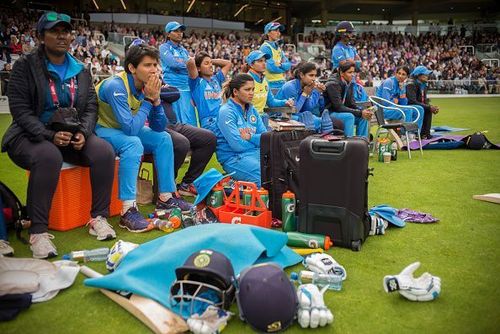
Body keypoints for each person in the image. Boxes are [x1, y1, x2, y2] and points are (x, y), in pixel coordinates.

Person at [1, 12, 117, 259]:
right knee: (49, 156)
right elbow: (20, 110)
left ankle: (98, 218)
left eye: (66, 31)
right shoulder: (25, 65)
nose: (62, 36)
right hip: (29, 136)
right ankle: (39, 232)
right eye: (55, 31)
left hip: (71, 135)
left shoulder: (80, 69)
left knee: (104, 151)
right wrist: (47, 134)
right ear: (42, 36)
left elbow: (91, 106)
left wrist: (84, 132)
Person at [95, 43, 192, 233]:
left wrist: (156, 101)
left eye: (156, 65)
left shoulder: (147, 86)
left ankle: (165, 197)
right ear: (132, 68)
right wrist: (149, 100)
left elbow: (157, 126)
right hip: (102, 129)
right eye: (148, 65)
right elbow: (130, 129)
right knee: (133, 143)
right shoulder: (116, 85)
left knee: (163, 138)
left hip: (124, 129)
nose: (154, 70)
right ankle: (127, 210)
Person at [215, 74, 267, 186]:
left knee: (280, 168)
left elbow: (265, 138)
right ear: (235, 92)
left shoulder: (253, 111)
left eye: (253, 89)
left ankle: (236, 183)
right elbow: (237, 145)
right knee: (263, 176)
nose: (252, 93)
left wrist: (250, 137)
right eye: (247, 89)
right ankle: (233, 184)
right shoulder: (226, 112)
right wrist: (257, 142)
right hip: (233, 158)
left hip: (255, 153)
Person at [275, 62, 334, 133]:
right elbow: (294, 111)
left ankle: (325, 135)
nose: (314, 79)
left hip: (297, 114)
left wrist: (317, 92)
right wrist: (305, 94)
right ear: (302, 75)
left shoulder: (307, 86)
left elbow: (308, 108)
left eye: (315, 76)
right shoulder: (290, 87)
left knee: (317, 119)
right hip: (282, 115)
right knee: (312, 120)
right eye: (311, 75)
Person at [159, 21, 197, 126]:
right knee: (175, 123)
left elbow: (185, 66)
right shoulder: (164, 47)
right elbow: (172, 64)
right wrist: (188, 65)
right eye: (175, 31)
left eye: (181, 31)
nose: (179, 33)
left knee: (190, 121)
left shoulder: (184, 50)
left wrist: (187, 66)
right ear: (168, 34)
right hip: (172, 89)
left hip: (186, 88)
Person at [186, 51, 231, 133]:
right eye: (206, 64)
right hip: (209, 123)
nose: (211, 66)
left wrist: (210, 60)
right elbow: (190, 62)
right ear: (198, 68)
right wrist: (199, 59)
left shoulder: (217, 79)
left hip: (223, 117)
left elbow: (228, 63)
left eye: (211, 64)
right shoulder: (196, 82)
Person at [324, 61, 372, 138]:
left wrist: (362, 112)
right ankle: (349, 145)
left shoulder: (349, 82)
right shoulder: (332, 84)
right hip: (330, 113)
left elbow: (351, 104)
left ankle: (362, 144)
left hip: (342, 112)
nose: (352, 75)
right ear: (341, 73)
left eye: (353, 72)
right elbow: (338, 107)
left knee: (364, 117)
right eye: (349, 72)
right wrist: (359, 113)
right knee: (349, 117)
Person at [376, 65, 424, 131]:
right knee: (408, 110)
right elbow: (385, 102)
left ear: (407, 77)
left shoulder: (402, 85)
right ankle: (405, 134)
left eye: (403, 74)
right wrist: (394, 101)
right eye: (399, 73)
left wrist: (402, 91)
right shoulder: (389, 82)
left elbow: (404, 104)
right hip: (383, 110)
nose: (400, 76)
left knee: (419, 109)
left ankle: (415, 133)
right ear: (396, 73)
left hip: (394, 108)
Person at [331, 21, 368, 104]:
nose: (352, 35)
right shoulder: (337, 48)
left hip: (351, 80)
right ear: (342, 34)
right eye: (350, 32)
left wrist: (350, 61)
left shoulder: (351, 48)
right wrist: (353, 62)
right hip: (340, 82)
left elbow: (359, 62)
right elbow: (344, 65)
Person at [405, 65, 439, 139]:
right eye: (425, 74)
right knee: (426, 109)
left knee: (428, 109)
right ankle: (418, 133)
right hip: (409, 107)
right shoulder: (411, 84)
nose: (427, 76)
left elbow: (423, 100)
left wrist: (431, 106)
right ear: (418, 75)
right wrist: (429, 107)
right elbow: (411, 101)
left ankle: (426, 134)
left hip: (417, 106)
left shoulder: (423, 84)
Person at [260, 22, 291, 91]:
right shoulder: (265, 48)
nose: (278, 33)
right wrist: (283, 67)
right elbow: (272, 68)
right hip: (271, 85)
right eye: (275, 30)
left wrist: (279, 64)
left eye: (279, 31)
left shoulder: (278, 48)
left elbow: (289, 65)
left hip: (282, 83)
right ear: (268, 33)